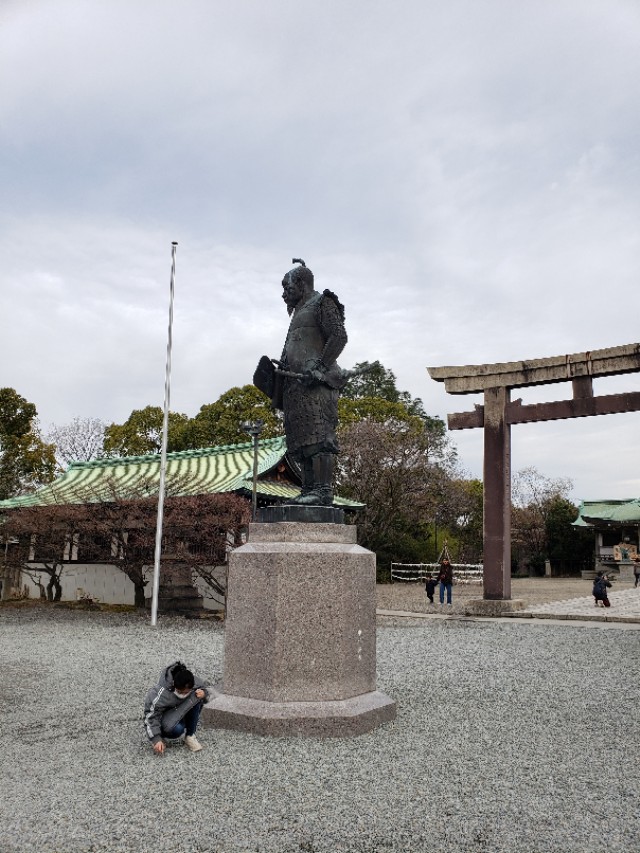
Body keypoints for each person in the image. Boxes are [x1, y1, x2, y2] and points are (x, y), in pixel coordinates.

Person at [254, 259, 348, 506]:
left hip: (316, 385)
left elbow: (338, 336)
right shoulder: (297, 312)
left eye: (288, 288)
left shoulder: (322, 303)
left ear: (302, 284)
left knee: (319, 438)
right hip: (295, 387)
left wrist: (318, 366)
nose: (284, 294)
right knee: (301, 440)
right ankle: (308, 489)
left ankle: (323, 491)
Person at [144, 661, 210, 754]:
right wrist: (156, 738)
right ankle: (162, 736)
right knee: (178, 730)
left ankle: (190, 736)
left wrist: (204, 693)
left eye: (186, 692)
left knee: (197, 696)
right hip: (165, 719)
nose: (183, 694)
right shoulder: (159, 693)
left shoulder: (194, 682)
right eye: (180, 692)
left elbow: (205, 688)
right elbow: (150, 716)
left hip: (179, 711)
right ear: (174, 684)